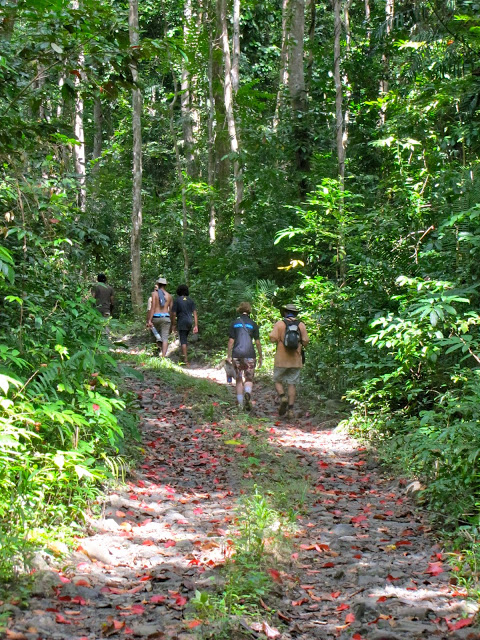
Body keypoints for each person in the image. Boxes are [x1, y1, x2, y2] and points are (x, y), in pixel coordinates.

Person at [269, 303, 309, 420]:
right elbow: (306, 341)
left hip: (281, 359)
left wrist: (280, 339)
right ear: (296, 313)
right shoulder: (301, 325)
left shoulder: (280, 323)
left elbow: (272, 338)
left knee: (277, 380)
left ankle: (282, 397)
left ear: (285, 312)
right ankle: (291, 410)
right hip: (295, 360)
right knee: (292, 384)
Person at [227, 302, 262, 411]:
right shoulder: (253, 324)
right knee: (249, 378)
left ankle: (240, 404)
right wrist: (260, 356)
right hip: (250, 354)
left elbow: (230, 341)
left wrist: (228, 355)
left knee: (238, 379)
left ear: (239, 310)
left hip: (237, 353)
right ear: (249, 311)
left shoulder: (234, 323)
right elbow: (257, 342)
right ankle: (247, 392)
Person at [171, 284, 198, 367]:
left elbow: (174, 313)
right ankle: (184, 355)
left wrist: (173, 324)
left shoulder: (177, 300)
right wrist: (196, 325)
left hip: (182, 321)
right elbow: (195, 313)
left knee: (183, 340)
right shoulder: (190, 300)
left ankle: (186, 360)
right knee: (184, 339)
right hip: (189, 321)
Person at [146, 277, 172, 357]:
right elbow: (171, 310)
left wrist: (149, 320)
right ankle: (163, 357)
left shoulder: (154, 294)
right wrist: (172, 322)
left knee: (154, 336)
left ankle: (155, 354)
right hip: (166, 318)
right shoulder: (169, 296)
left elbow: (153, 307)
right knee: (165, 338)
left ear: (158, 284)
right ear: (165, 285)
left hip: (156, 317)